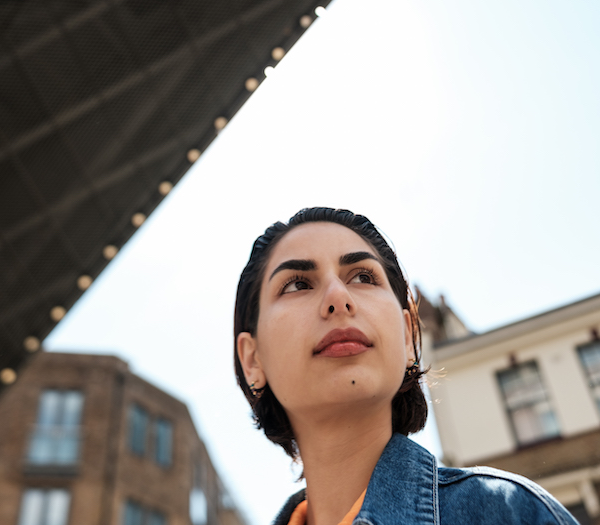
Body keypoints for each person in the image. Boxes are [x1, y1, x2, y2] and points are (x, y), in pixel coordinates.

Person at [234, 207, 578, 525]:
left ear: (408, 336)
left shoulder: (512, 513)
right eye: (297, 284)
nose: (338, 297)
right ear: (253, 360)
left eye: (363, 277)